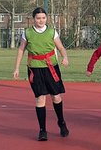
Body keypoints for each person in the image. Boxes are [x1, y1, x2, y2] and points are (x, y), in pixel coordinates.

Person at [12, 7, 71, 141]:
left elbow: (60, 47)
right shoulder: (27, 33)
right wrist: (16, 68)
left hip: (51, 67)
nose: (41, 20)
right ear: (33, 19)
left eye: (43, 18)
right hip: (35, 68)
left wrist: (65, 57)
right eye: (38, 18)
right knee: (40, 98)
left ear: (46, 18)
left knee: (56, 96)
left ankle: (61, 122)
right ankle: (42, 130)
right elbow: (21, 50)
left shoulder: (52, 32)